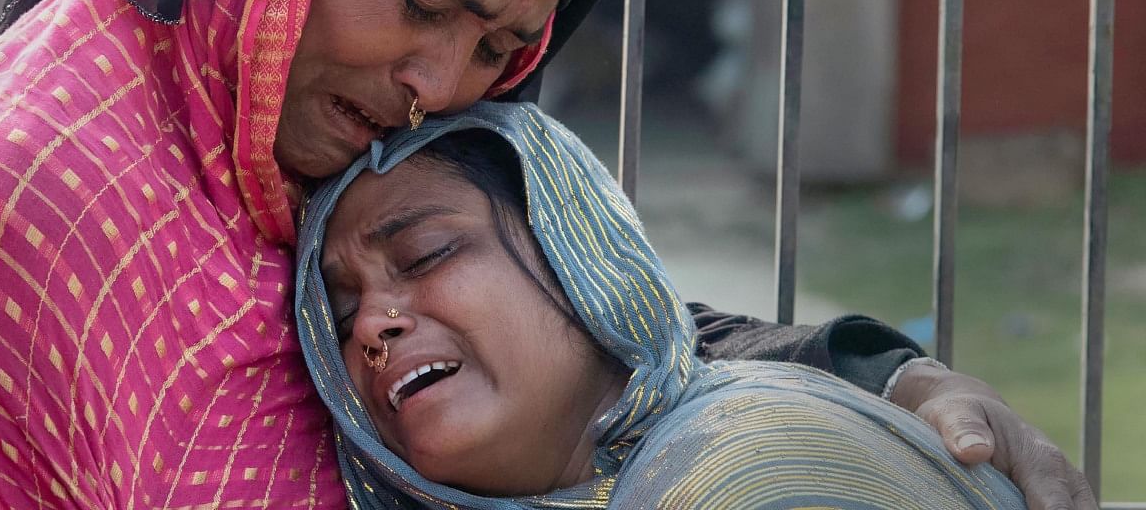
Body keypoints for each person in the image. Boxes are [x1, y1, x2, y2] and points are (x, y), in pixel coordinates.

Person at [0, 0, 1089, 507]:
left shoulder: (260, 104)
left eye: (500, 47)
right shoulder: (36, 200)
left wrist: (862, 371)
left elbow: (543, 299)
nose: (435, 88)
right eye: (422, 2)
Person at [292, 102, 1026, 509]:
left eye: (424, 255)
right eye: (340, 314)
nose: (371, 329)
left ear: (579, 249)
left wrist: (893, 374)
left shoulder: (737, 476)